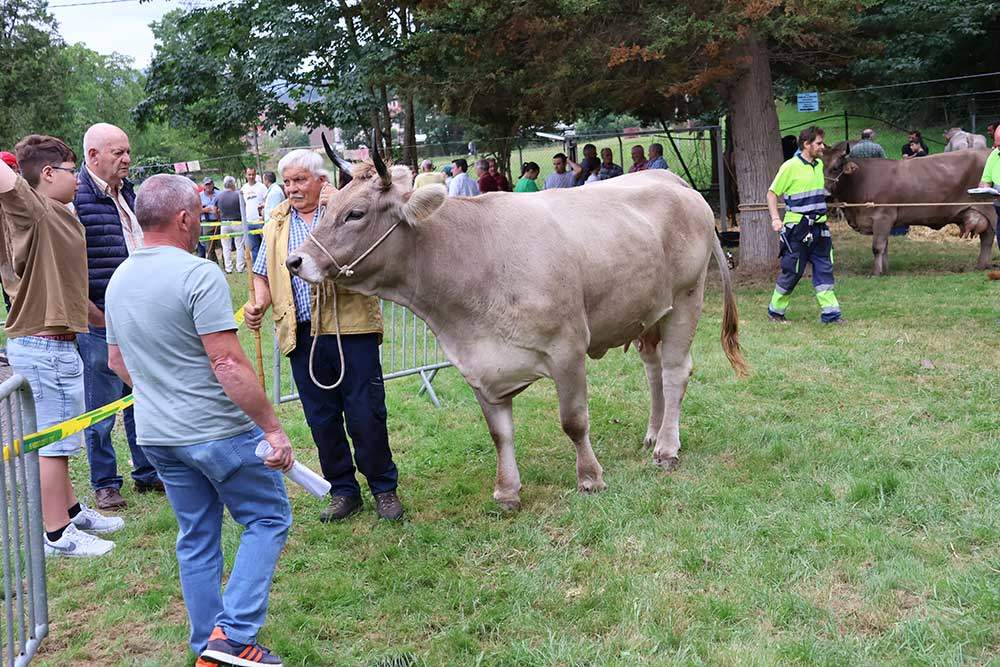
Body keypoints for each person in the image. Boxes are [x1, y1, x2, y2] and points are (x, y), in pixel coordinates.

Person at [104, 174, 292, 666]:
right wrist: (272, 428)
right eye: (199, 215)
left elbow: (116, 362)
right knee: (267, 518)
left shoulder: (119, 278)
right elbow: (226, 361)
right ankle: (233, 636)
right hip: (218, 432)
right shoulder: (198, 273)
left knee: (196, 536)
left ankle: (208, 645)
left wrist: (163, 393)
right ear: (185, 218)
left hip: (158, 436)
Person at [244, 149, 404, 523]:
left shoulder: (343, 211)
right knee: (322, 419)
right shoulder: (277, 221)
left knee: (366, 414)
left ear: (320, 180)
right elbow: (263, 273)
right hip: (301, 334)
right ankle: (343, 491)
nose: (292, 188)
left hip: (351, 329)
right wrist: (259, 303)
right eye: (287, 181)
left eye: (300, 180)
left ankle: (384, 489)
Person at [0, 135, 124, 558]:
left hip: (58, 344)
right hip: (43, 346)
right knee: (53, 444)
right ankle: (56, 534)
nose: (78, 179)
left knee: (63, 439)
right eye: (72, 171)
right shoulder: (32, 208)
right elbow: (8, 182)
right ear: (48, 174)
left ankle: (69, 511)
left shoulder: (55, 211)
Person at [74, 123, 161, 510]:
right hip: (99, 320)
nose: (127, 159)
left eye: (128, 151)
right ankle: (105, 482)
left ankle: (147, 470)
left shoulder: (127, 192)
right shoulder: (76, 198)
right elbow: (69, 267)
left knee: (139, 396)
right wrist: (93, 315)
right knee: (102, 407)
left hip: (137, 317)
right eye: (118, 153)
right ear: (93, 156)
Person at [766, 126, 843, 325]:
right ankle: (775, 312)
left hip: (820, 229)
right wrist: (775, 219)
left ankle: (831, 315)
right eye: (819, 143)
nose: (822, 146)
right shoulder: (790, 167)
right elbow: (772, 194)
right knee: (792, 271)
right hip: (797, 230)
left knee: (824, 269)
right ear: (806, 144)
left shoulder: (818, 165)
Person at [217, 176, 246, 274]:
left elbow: (216, 209)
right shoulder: (238, 195)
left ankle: (228, 268)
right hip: (237, 222)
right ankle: (240, 267)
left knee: (226, 247)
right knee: (239, 245)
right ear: (233, 184)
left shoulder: (219, 196)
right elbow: (243, 207)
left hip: (224, 223)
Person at [978, 125, 1000, 252]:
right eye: (997, 145)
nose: (998, 148)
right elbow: (985, 181)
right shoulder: (995, 155)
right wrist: (983, 190)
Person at [241, 167, 268, 260]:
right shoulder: (244, 189)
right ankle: (256, 265)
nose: (251, 176)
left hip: (261, 222)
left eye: (253, 174)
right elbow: (243, 205)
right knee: (254, 247)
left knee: (266, 246)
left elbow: (267, 201)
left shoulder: (262, 187)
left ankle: (268, 264)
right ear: (246, 175)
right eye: (249, 174)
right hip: (249, 222)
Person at [259, 171, 284, 259]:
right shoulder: (273, 191)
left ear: (266, 180)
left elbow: (274, 212)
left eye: (263, 179)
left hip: (273, 227)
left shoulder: (274, 192)